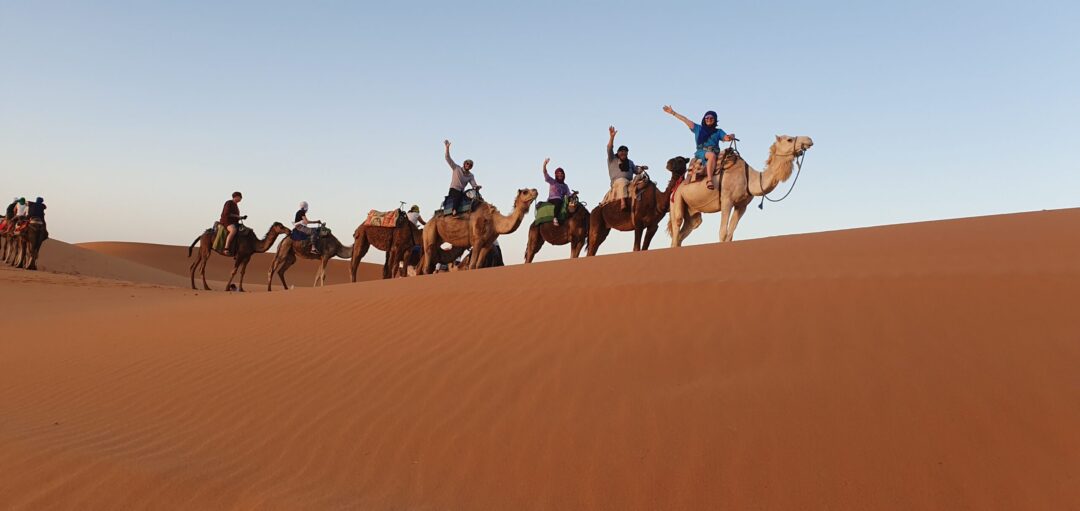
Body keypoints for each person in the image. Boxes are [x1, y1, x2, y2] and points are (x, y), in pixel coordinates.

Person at [662, 105, 734, 190]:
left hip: (715, 152)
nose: (709, 119)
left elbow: (726, 138)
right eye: (707, 117)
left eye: (711, 118)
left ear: (714, 120)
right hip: (702, 152)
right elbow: (685, 120)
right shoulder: (698, 128)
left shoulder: (718, 131)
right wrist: (673, 113)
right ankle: (710, 180)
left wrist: (731, 136)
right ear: (704, 119)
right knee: (711, 156)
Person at [606, 126, 646, 211]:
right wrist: (612, 137)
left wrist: (642, 168)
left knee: (643, 179)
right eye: (621, 151)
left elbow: (637, 171)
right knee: (622, 181)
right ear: (618, 152)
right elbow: (609, 148)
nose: (623, 153)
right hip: (617, 182)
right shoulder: (612, 159)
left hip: (629, 182)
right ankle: (623, 202)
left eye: (625, 151)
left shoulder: (630, 162)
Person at [444, 139, 481, 215]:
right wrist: (447, 148)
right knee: (458, 196)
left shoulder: (471, 175)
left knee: (473, 197)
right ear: (464, 164)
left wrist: (477, 187)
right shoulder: (456, 168)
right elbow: (448, 158)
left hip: (462, 191)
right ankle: (454, 211)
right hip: (454, 190)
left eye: (470, 165)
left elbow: (473, 185)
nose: (468, 165)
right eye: (467, 163)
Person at [542, 158, 571, 226]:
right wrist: (544, 165)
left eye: (561, 173)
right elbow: (545, 174)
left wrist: (574, 195)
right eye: (558, 173)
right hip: (552, 199)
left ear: (563, 175)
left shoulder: (565, 186)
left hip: (560, 200)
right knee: (559, 201)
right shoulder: (553, 181)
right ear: (556, 175)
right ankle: (555, 218)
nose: (560, 175)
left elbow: (568, 194)